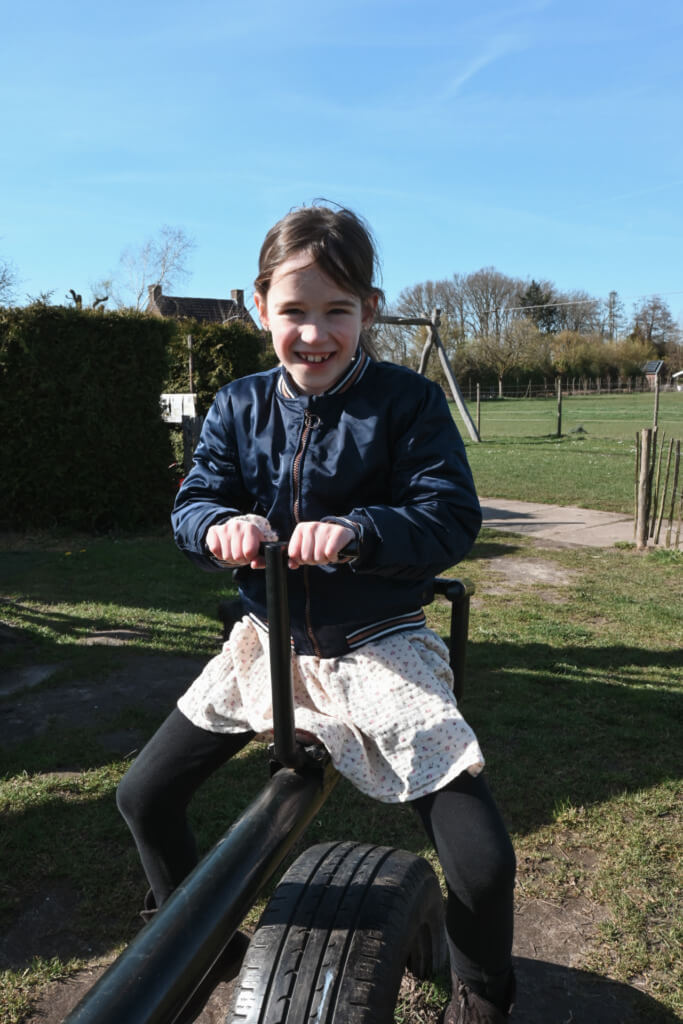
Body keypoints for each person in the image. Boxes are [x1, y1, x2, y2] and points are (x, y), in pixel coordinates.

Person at [117, 204, 516, 1023]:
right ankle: (203, 938)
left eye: (336, 310)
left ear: (369, 309)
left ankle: (481, 993)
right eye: (294, 310)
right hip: (265, 645)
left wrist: (363, 531)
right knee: (143, 796)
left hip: (378, 648)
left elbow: (449, 517)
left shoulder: (406, 403)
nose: (313, 334)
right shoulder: (238, 404)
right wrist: (215, 527)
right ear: (261, 306)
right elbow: (195, 500)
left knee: (483, 861)